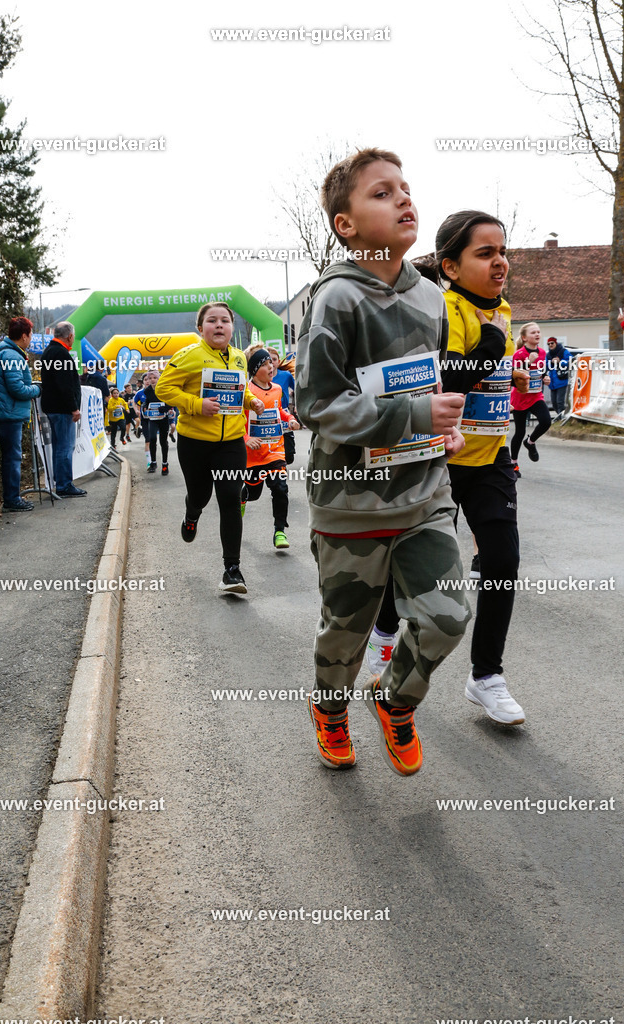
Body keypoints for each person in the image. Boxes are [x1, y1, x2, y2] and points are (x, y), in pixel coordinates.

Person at [296, 147, 471, 776]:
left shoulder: (431, 297)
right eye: (381, 192)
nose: (403, 199)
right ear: (346, 224)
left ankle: (394, 703)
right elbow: (315, 401)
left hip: (424, 494)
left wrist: (438, 433)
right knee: (344, 634)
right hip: (350, 503)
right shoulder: (336, 298)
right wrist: (416, 419)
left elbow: (421, 389)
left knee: (448, 616)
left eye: (405, 187)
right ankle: (331, 712)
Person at [437, 210, 530, 725]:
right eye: (485, 253)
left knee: (501, 562)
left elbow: (487, 373)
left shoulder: (504, 310)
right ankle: (385, 637)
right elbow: (450, 377)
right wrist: (495, 347)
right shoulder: (445, 308)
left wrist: (507, 372)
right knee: (418, 571)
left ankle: (486, 675)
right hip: (438, 460)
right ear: (451, 267)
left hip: (491, 456)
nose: (501, 263)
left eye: (502, 252)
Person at [155, 301, 264, 594]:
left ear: (231, 327)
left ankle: (232, 571)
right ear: (200, 328)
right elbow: (163, 388)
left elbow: (237, 392)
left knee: (230, 498)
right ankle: (192, 514)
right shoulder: (189, 355)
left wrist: (251, 401)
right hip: (195, 443)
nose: (219, 325)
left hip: (230, 443)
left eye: (225, 320)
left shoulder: (240, 358)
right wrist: (195, 404)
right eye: (212, 320)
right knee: (201, 496)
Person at [0, 316, 41, 512]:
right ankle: (12, 500)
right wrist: (37, 390)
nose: (30, 339)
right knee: (13, 457)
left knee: (9, 456)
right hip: (8, 413)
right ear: (23, 336)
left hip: (2, 410)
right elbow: (17, 389)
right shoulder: (12, 356)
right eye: (30, 335)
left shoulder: (1, 351)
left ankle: (11, 498)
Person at [242, 347, 300, 549]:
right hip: (253, 455)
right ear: (256, 368)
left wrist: (291, 419)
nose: (271, 366)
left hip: (275, 449)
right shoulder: (246, 392)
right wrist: (247, 438)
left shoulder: (276, 388)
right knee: (253, 493)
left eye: (271, 362)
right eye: (266, 363)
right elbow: (237, 420)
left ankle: (279, 531)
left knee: (280, 488)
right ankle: (243, 498)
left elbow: (280, 411)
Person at [39, 322, 86, 497]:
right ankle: (64, 485)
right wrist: (74, 408)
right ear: (70, 336)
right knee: (65, 447)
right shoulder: (61, 353)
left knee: (59, 447)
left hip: (52, 406)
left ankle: (61, 483)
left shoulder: (49, 351)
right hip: (62, 408)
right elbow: (65, 385)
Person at [510, 322, 552, 472]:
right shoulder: (519, 354)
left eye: (538, 332)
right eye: (533, 332)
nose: (537, 334)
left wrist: (546, 378)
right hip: (520, 397)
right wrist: (529, 361)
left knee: (546, 421)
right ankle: (513, 463)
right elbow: (514, 375)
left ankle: (530, 442)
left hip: (535, 396)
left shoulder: (542, 352)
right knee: (519, 432)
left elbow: (542, 371)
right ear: (524, 337)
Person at [136, 370, 171, 475]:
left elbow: (172, 401)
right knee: (152, 438)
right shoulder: (147, 390)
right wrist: (145, 406)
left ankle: (165, 464)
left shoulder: (164, 389)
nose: (152, 380)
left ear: (159, 378)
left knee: (163, 441)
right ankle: (153, 462)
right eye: (150, 378)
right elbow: (146, 401)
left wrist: (165, 408)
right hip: (153, 418)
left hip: (163, 418)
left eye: (154, 378)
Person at [268, 347, 298, 464]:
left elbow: (297, 389)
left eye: (274, 360)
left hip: (284, 415)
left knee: (289, 455)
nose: (271, 363)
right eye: (268, 360)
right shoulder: (260, 376)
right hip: (268, 415)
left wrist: (298, 404)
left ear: (279, 361)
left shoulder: (286, 375)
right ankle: (277, 468)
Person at [545, 336, 571, 417]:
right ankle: (560, 416)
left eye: (552, 343)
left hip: (561, 380)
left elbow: (570, 360)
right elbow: (546, 365)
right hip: (552, 383)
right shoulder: (548, 355)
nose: (550, 345)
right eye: (548, 344)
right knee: (554, 403)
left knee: (560, 402)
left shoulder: (563, 351)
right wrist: (551, 363)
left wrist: (560, 362)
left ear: (555, 343)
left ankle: (561, 418)